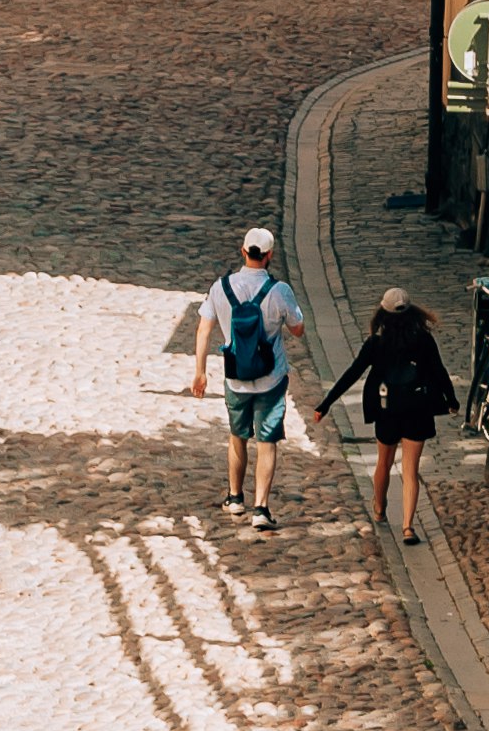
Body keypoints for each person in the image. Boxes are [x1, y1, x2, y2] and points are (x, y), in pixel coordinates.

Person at [189, 228, 307, 529]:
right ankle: (261, 509)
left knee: (237, 436)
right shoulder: (279, 291)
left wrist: (200, 372)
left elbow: (203, 330)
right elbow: (298, 329)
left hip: (236, 378)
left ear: (243, 252)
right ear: (269, 256)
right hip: (271, 376)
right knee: (267, 441)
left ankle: (235, 497)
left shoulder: (221, 287)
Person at [320, 287, 459, 542]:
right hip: (417, 409)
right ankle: (408, 527)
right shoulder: (424, 340)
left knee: (383, 463)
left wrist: (326, 403)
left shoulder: (376, 343)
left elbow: (353, 373)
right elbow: (440, 372)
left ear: (382, 312)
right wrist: (452, 401)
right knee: (410, 471)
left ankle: (380, 508)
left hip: (387, 410)